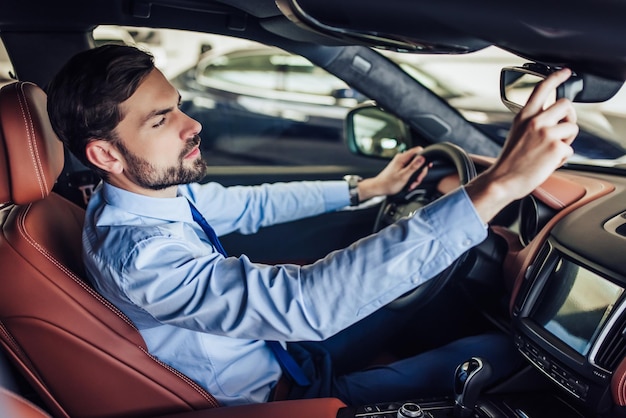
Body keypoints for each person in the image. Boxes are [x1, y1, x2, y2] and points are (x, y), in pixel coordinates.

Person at [46, 44, 578, 407]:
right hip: (275, 397)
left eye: (178, 106)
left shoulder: (137, 197)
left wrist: (365, 190)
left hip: (280, 351)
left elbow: (252, 206)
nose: (193, 125)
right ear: (105, 154)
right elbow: (308, 305)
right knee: (501, 353)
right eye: (162, 121)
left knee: (419, 292)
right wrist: (498, 186)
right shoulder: (142, 255)